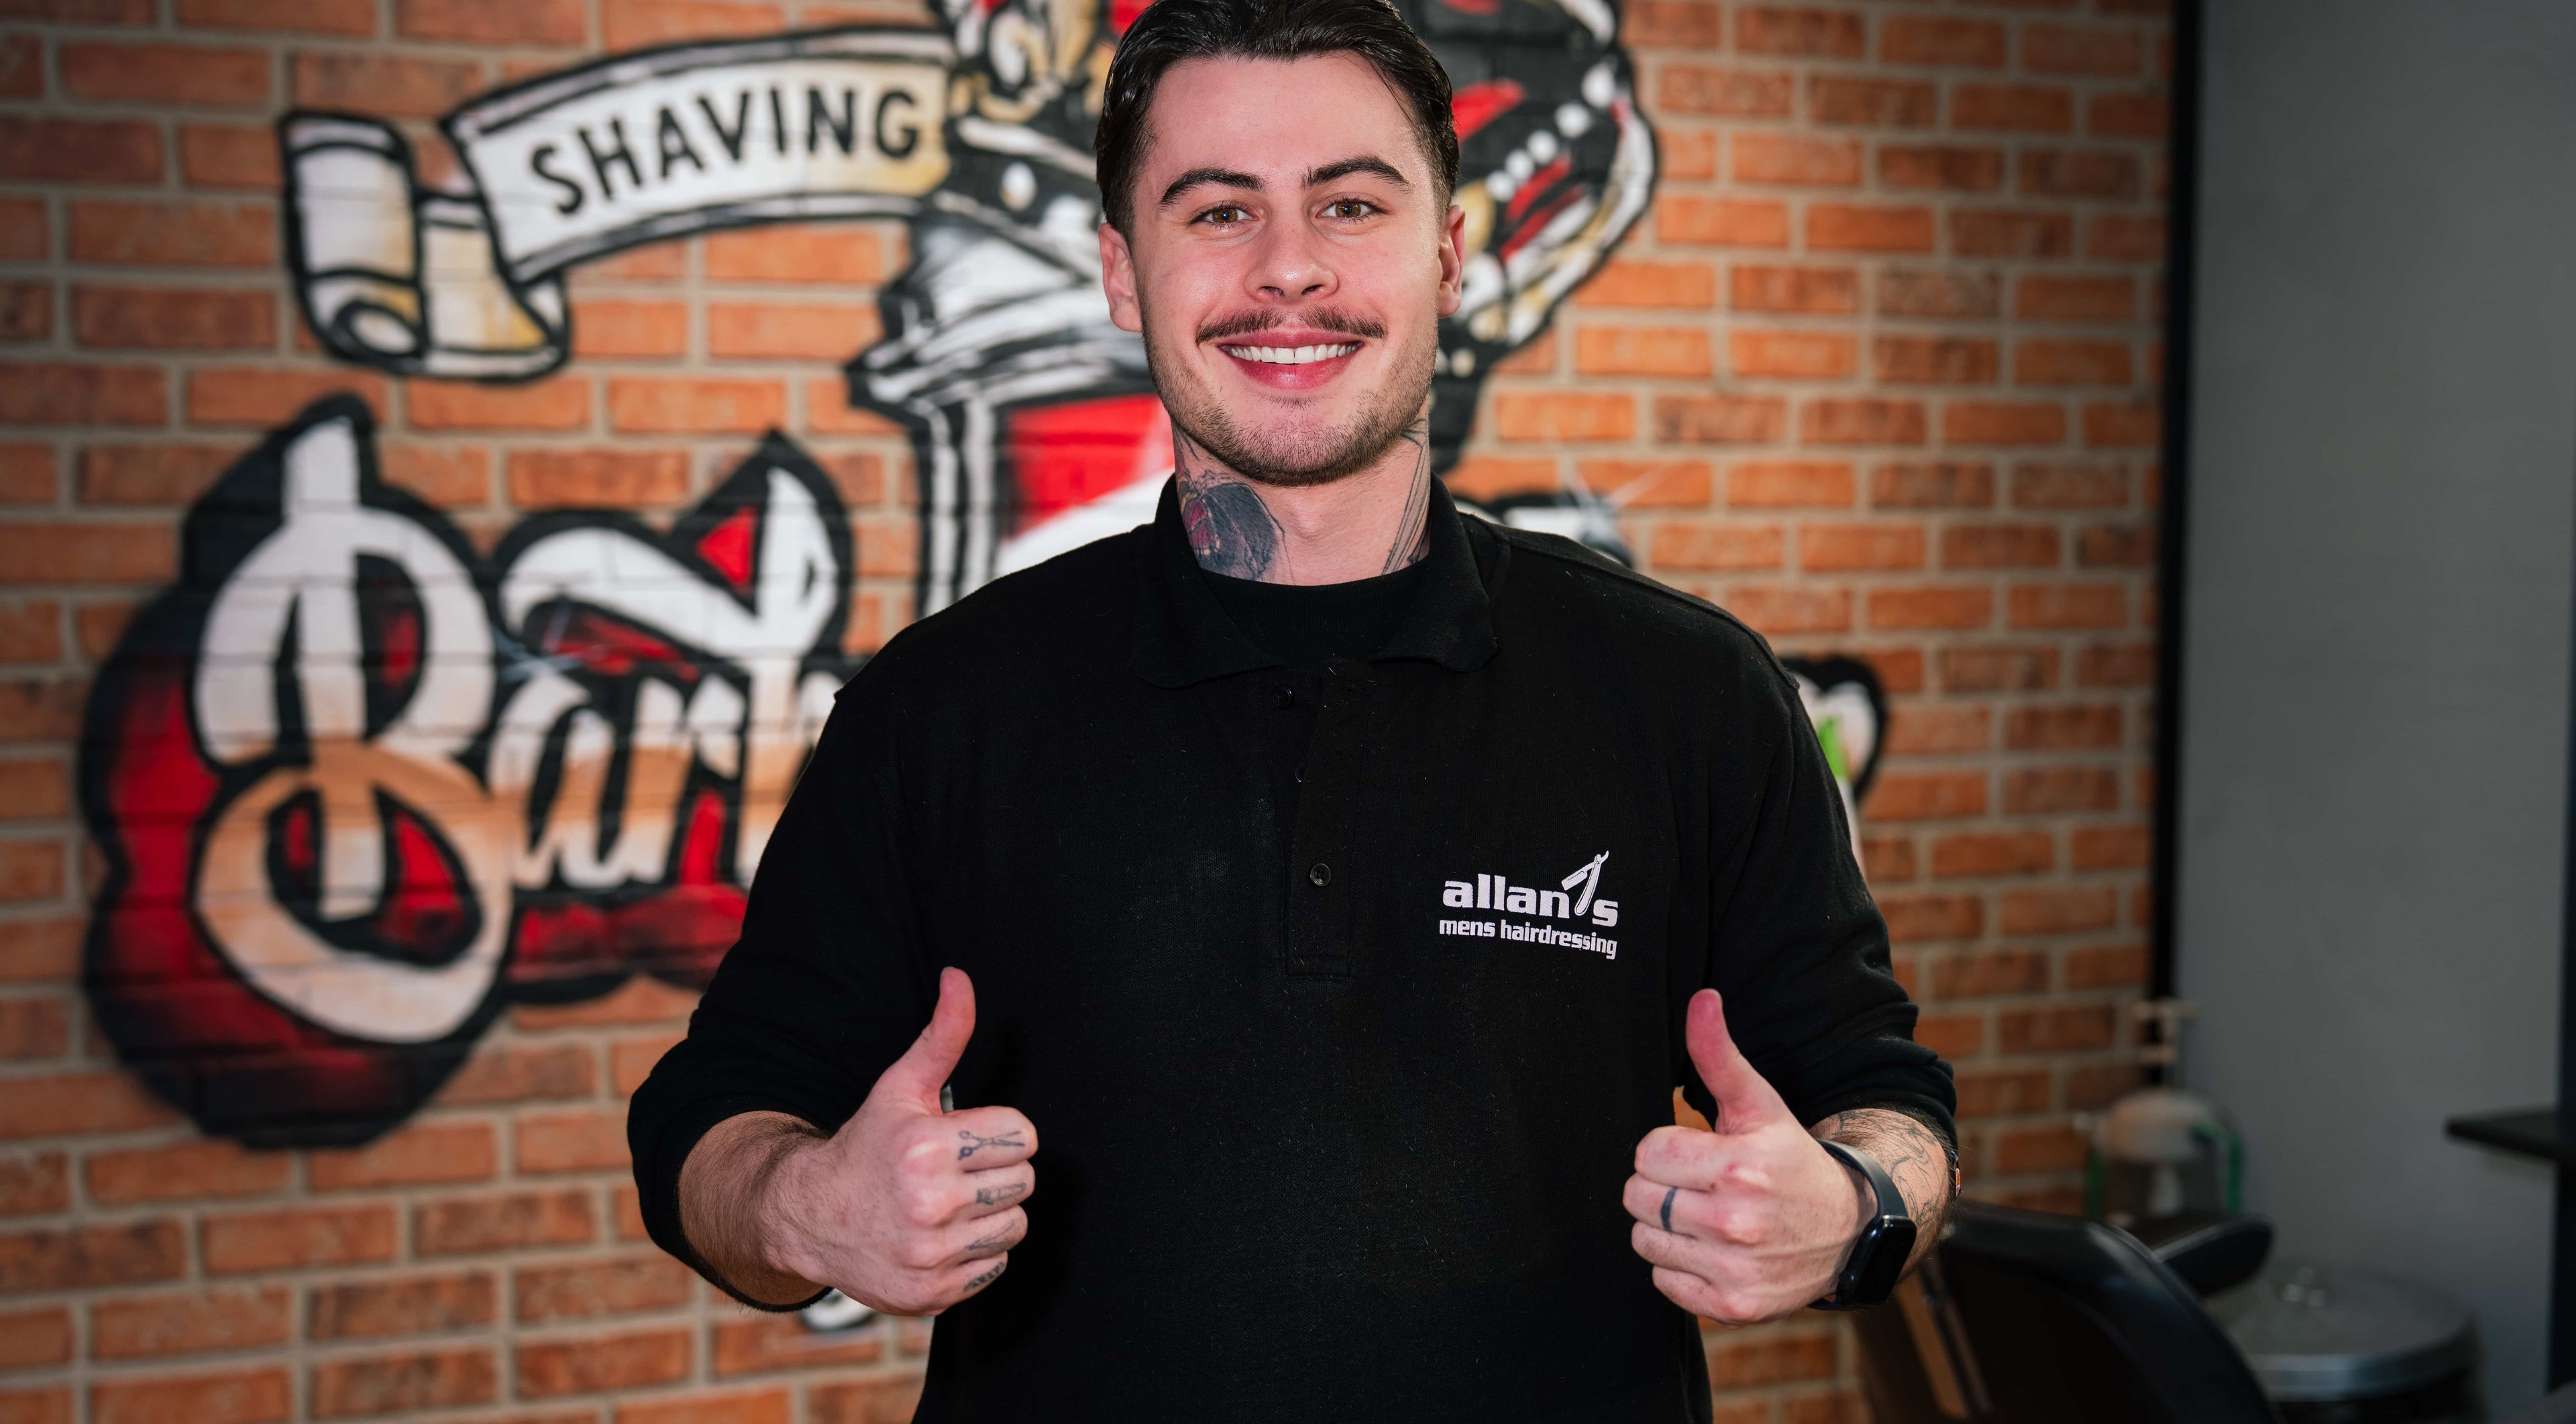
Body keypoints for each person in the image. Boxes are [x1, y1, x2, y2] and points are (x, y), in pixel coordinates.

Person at [627, 0, 1958, 1415]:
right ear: (1123, 275)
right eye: (1215, 212)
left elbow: (1886, 1098)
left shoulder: (1686, 691)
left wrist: (1859, 1206)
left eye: (1351, 204)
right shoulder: (941, 707)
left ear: (1449, 252)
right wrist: (799, 1212)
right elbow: (709, 1127)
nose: (1288, 272)